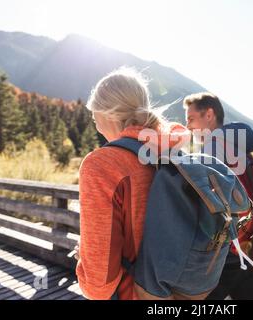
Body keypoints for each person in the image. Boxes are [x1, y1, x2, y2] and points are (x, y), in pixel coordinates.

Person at [75, 67, 189, 300]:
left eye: (93, 115)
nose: (94, 123)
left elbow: (99, 286)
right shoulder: (175, 152)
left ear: (105, 114)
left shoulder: (103, 164)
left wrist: (84, 260)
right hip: (188, 293)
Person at [183, 92, 253, 300]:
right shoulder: (237, 145)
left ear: (209, 115)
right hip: (244, 240)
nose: (188, 126)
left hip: (222, 249)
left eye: (191, 119)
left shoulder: (212, 148)